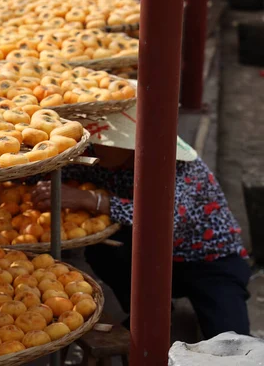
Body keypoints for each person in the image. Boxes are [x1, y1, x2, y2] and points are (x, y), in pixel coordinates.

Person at [28, 107, 251, 339]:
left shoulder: (180, 168)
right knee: (104, 250)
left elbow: (164, 221)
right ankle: (151, 310)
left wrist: (91, 200)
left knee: (231, 339)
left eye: (108, 141)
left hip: (209, 262)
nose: (98, 145)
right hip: (150, 258)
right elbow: (49, 171)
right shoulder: (104, 158)